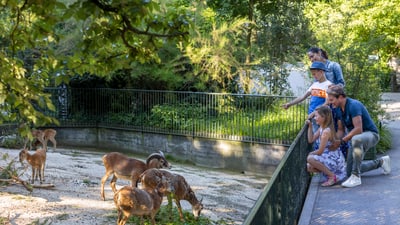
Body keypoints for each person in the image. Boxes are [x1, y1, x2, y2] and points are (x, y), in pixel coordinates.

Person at [326, 85, 391, 188]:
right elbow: (341, 130)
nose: (330, 102)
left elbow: (358, 129)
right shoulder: (338, 109)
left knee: (356, 139)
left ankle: (356, 177)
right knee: (349, 170)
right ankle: (381, 162)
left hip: (371, 134)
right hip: (355, 139)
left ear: (341, 97)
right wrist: (334, 141)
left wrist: (342, 141)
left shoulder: (353, 105)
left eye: (332, 100)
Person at [282, 61, 332, 132]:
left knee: (321, 137)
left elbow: (327, 102)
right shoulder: (314, 85)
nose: (313, 76)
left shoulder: (328, 85)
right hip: (311, 116)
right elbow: (303, 97)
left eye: (314, 74)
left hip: (322, 117)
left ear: (321, 72)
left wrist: (315, 112)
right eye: (312, 74)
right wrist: (290, 104)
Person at [306, 105, 347, 186]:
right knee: (309, 167)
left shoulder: (326, 131)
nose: (315, 118)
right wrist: (310, 127)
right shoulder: (321, 127)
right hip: (328, 156)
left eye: (316, 116)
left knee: (310, 158)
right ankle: (331, 174)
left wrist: (310, 154)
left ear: (323, 117)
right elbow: (311, 140)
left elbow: (320, 151)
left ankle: (332, 176)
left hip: (334, 159)